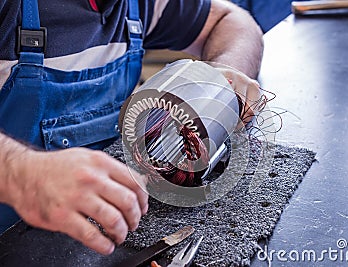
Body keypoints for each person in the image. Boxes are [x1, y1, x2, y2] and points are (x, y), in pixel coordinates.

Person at [0, 0, 263, 255]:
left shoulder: (137, 5)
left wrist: (223, 76)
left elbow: (231, 20)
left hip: (90, 236)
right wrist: (22, 172)